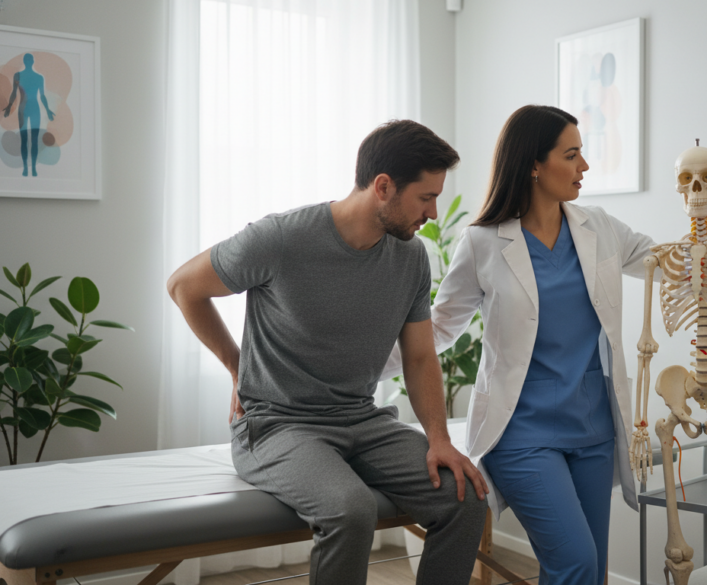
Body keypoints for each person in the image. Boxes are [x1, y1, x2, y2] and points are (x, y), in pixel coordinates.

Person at [384, 105, 707, 584]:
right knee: (576, 563)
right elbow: (437, 329)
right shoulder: (483, 243)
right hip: (521, 434)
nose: (584, 166)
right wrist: (360, 366)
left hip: (592, 432)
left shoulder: (600, 228)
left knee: (591, 573)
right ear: (533, 164)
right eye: (572, 155)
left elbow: (679, 270)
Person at [167, 120, 488, 585]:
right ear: (383, 187)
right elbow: (183, 286)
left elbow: (419, 358)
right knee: (349, 509)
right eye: (425, 198)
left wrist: (439, 439)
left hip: (360, 419)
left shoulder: (410, 257)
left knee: (465, 498)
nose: (434, 213)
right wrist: (237, 365)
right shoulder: (280, 239)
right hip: (275, 424)